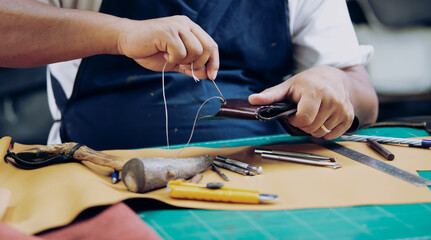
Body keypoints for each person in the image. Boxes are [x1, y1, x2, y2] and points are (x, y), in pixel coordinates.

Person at [0, 0, 378, 150]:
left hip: (263, 173)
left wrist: (333, 85)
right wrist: (119, 34)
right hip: (98, 173)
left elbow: (363, 94)